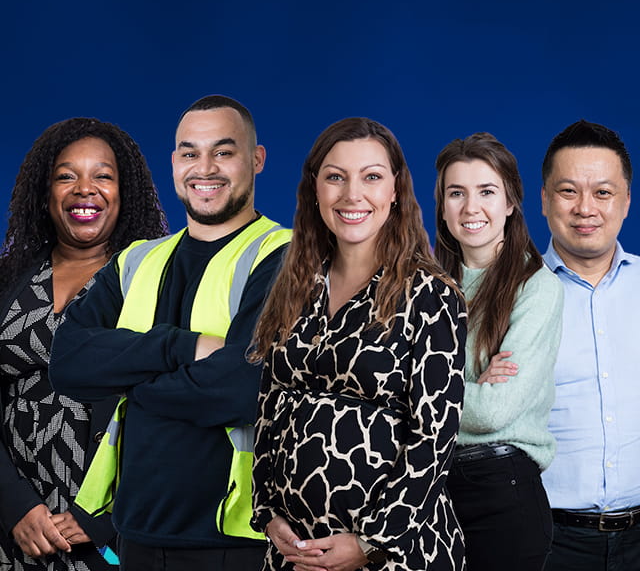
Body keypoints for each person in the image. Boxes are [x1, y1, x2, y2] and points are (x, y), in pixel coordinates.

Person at [49, 95, 291, 571]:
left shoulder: (284, 255)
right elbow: (68, 364)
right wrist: (180, 346)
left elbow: (244, 388)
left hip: (233, 538)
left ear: (256, 160)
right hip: (135, 530)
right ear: (175, 163)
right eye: (189, 153)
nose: (205, 168)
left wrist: (128, 382)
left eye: (223, 152)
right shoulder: (138, 260)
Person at [250, 117, 467, 571]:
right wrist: (268, 512)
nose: (352, 194)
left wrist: (370, 542)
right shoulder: (295, 283)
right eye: (335, 177)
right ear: (314, 189)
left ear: (395, 190)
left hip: (395, 556)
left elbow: (435, 438)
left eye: (371, 177)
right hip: (295, 554)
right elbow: (270, 406)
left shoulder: (430, 295)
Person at [0, 117, 168, 571]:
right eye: (66, 176)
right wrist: (14, 506)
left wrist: (106, 517)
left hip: (111, 533)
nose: (84, 188)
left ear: (123, 192)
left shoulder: (154, 281)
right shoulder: (7, 280)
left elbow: (181, 410)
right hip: (11, 528)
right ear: (45, 192)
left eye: (103, 176)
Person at [433, 132, 564, 571]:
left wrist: (418, 393)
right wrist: (471, 387)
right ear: (443, 205)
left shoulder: (537, 287)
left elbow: (494, 411)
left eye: (487, 192)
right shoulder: (423, 286)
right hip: (428, 488)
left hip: (501, 492)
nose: (471, 208)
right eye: (457, 193)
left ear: (510, 202)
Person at [540, 120, 639, 571]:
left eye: (603, 192)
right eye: (567, 191)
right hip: (550, 542)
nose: (585, 208)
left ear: (626, 201)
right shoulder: (509, 295)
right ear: (544, 200)